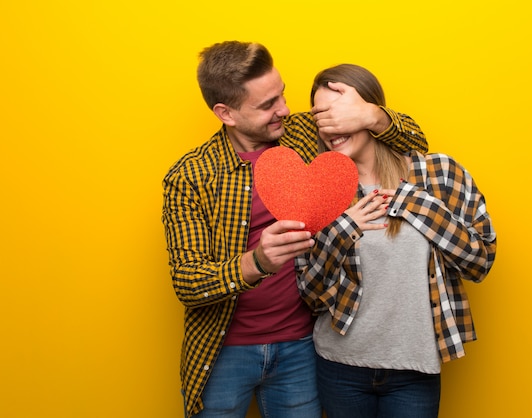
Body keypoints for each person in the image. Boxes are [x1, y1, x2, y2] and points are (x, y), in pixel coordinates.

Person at [161, 42, 429, 418]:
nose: (284, 109)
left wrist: (371, 115)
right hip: (224, 351)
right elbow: (188, 283)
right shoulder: (190, 177)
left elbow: (416, 146)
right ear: (226, 113)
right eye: (267, 104)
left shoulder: (303, 132)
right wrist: (257, 262)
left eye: (282, 94)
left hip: (300, 347)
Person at [295, 64, 497, 418]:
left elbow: (479, 262)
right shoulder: (320, 191)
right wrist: (343, 229)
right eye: (321, 118)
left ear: (369, 112)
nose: (331, 127)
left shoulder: (438, 174)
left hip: (414, 368)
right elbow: (310, 294)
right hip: (340, 365)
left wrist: (417, 203)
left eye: (338, 113)